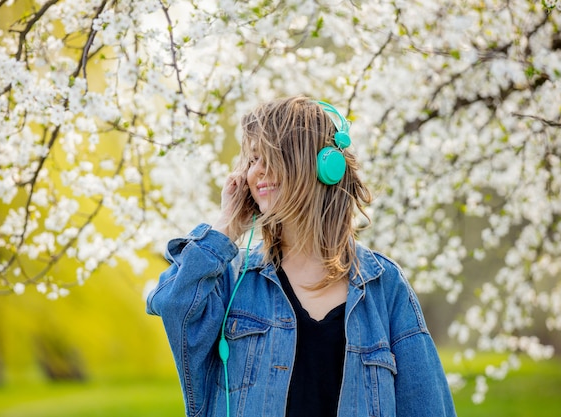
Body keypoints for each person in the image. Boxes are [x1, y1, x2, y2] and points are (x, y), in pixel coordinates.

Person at [146, 95, 457, 417]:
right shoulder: (230, 278)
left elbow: (428, 407)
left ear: (326, 167)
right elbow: (170, 303)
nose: (259, 171)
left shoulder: (384, 285)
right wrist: (225, 227)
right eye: (252, 159)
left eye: (272, 155)